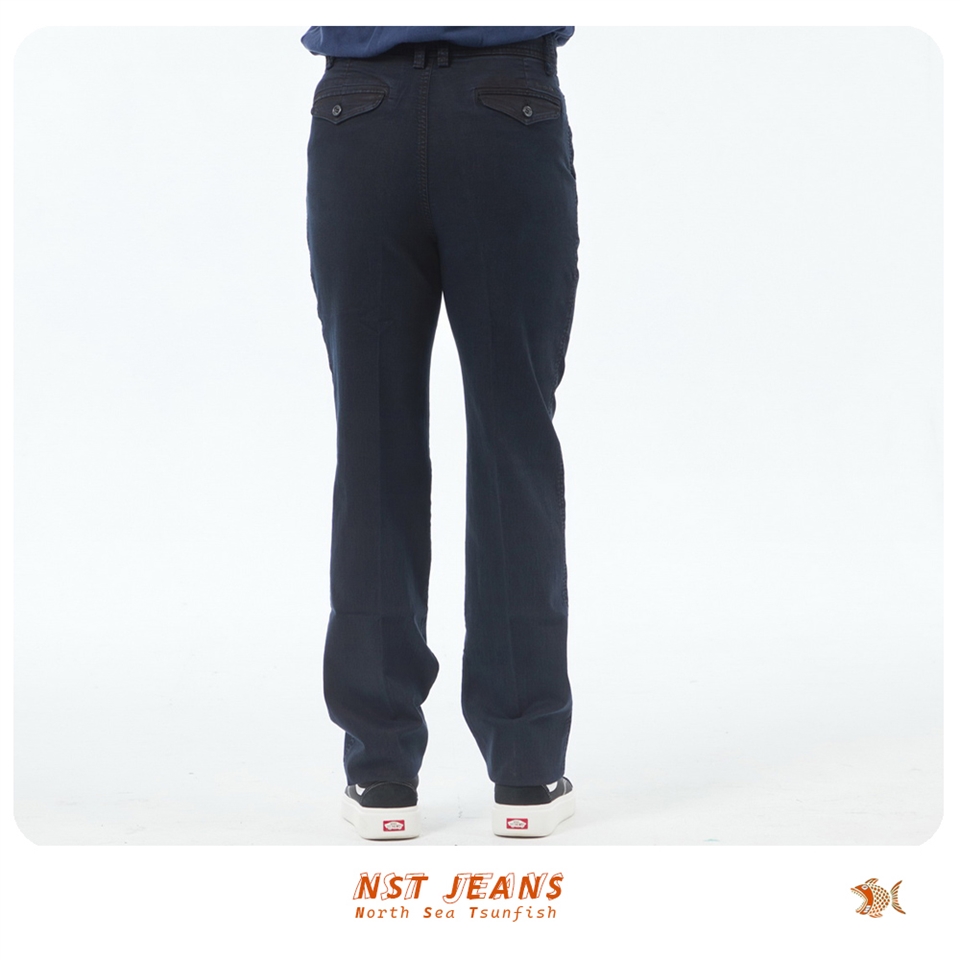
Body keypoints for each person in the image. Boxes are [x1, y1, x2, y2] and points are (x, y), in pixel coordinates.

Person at [303, 26, 580, 840]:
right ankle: (526, 769)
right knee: (513, 442)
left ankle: (380, 770)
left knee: (372, 444)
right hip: (507, 107)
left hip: (360, 107)